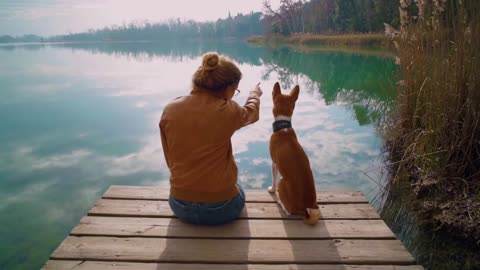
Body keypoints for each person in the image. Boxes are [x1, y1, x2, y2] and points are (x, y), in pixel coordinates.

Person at [159, 52, 263, 225]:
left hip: (179, 205)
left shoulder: (170, 109)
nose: (233, 94)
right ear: (227, 88)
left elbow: (169, 156)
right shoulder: (228, 110)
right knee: (239, 190)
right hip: (221, 208)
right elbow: (251, 114)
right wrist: (254, 94)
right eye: (235, 90)